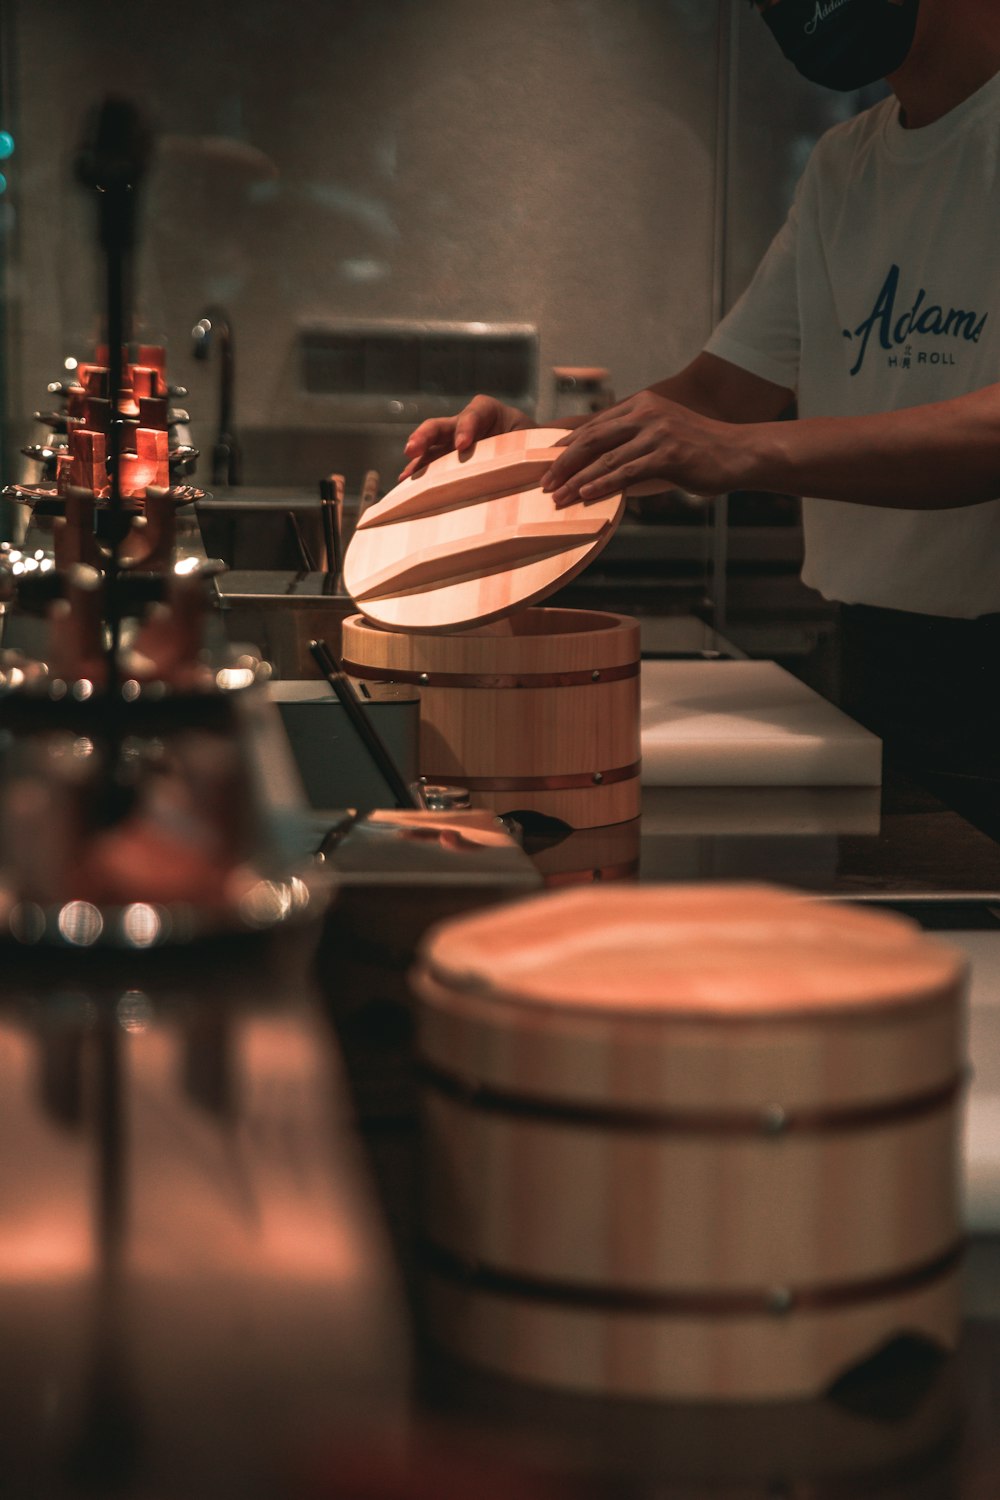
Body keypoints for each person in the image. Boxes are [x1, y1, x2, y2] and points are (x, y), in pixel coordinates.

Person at [402, 0, 1000, 833]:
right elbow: (720, 397)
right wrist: (540, 459)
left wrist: (745, 453)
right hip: (875, 661)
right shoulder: (846, 164)